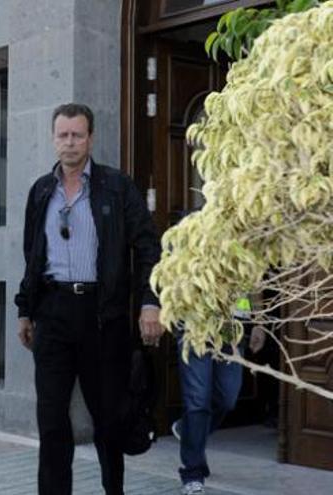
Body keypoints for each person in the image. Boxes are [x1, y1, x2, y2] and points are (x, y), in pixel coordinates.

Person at [14, 103, 163, 495]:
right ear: (53, 138)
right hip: (53, 311)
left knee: (109, 420)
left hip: (103, 315)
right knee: (51, 419)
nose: (69, 143)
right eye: (63, 135)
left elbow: (148, 246)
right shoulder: (41, 191)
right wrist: (25, 311)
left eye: (77, 135)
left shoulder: (117, 186)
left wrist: (150, 301)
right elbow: (31, 254)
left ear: (90, 138)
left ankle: (114, 490)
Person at [172, 298, 267, 495]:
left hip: (230, 323)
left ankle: (186, 429)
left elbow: (254, 281)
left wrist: (259, 322)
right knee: (197, 400)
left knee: (228, 397)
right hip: (195, 320)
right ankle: (193, 475)